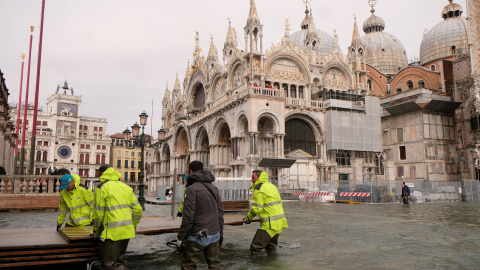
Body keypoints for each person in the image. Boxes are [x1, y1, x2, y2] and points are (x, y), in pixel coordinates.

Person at [92, 164, 143, 270]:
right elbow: (138, 210)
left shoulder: (101, 188)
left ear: (101, 174)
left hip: (111, 233)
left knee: (109, 265)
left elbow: (98, 214)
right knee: (118, 262)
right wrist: (132, 226)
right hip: (126, 232)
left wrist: (96, 231)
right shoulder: (126, 187)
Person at [177, 161, 224, 270]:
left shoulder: (191, 189)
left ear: (191, 171)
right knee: (215, 265)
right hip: (214, 233)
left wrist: (181, 238)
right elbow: (220, 213)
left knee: (188, 265)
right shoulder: (214, 188)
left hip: (199, 234)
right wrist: (220, 233)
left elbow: (188, 217)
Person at [244, 170, 288, 255]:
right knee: (270, 248)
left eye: (253, 178)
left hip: (269, 225)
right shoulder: (272, 186)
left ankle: (259, 266)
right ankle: (272, 264)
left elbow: (257, 209)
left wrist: (248, 217)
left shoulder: (259, 189)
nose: (251, 180)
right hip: (279, 223)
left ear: (259, 178)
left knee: (255, 248)